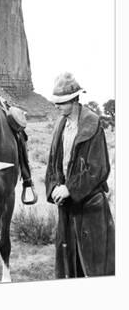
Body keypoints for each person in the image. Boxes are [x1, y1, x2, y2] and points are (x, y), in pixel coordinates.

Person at [45, 72, 114, 278]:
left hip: (90, 208)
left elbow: (98, 168)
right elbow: (53, 163)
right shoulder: (60, 125)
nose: (56, 106)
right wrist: (56, 186)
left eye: (61, 102)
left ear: (74, 100)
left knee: (95, 267)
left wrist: (70, 188)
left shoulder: (92, 125)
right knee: (70, 266)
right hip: (67, 208)